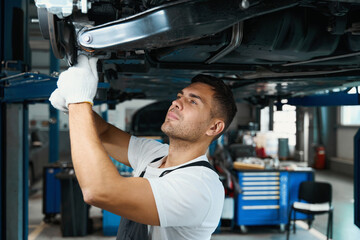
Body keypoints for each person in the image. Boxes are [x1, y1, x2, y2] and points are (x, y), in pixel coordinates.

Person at [49, 55, 237, 240]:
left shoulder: (200, 187)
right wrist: (71, 106)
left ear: (214, 127)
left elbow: (99, 191)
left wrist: (78, 101)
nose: (176, 103)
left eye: (193, 101)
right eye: (180, 96)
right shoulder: (155, 154)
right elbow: (104, 133)